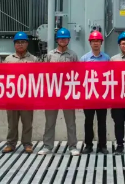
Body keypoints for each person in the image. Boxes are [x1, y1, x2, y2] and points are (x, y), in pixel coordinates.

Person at [38, 27, 80, 156]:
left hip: (67, 92)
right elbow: (44, 73)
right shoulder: (50, 55)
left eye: (65, 38)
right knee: (50, 122)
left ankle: (73, 147)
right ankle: (47, 146)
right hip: (53, 92)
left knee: (70, 122)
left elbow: (78, 74)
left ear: (69, 40)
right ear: (57, 40)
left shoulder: (73, 55)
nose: (63, 40)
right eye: (61, 38)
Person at [1, 32, 39, 154]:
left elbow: (38, 77)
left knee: (27, 122)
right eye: (18, 42)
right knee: (12, 123)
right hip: (12, 96)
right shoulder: (8, 59)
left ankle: (27, 144)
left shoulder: (33, 59)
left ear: (27, 43)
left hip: (27, 96)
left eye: (23, 42)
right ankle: (10, 144)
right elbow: (2, 77)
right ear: (14, 44)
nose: (20, 44)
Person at [80, 30, 111, 155]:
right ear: (90, 43)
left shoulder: (106, 58)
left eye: (98, 41)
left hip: (102, 95)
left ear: (101, 43)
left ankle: (102, 145)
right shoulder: (84, 59)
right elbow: (80, 77)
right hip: (88, 95)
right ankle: (88, 145)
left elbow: (110, 76)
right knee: (88, 121)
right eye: (93, 41)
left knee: (102, 121)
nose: (96, 43)